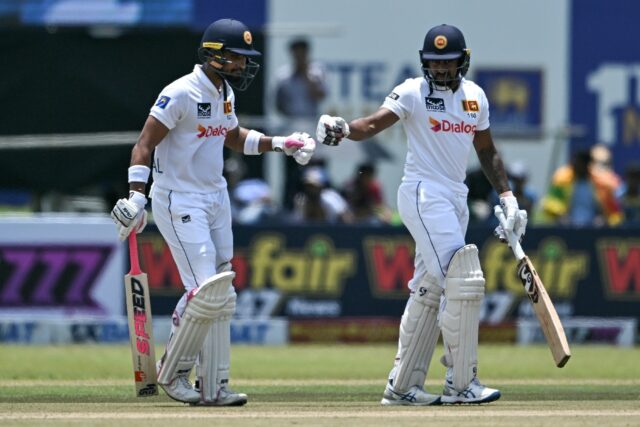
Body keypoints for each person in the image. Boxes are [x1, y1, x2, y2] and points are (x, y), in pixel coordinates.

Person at [316, 24, 527, 405]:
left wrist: (508, 196)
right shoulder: (413, 91)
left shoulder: (476, 97)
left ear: (463, 61)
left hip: (455, 198)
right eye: (434, 62)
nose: (440, 70)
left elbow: (487, 151)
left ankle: (402, 387)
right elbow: (375, 122)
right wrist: (345, 128)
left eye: (448, 63)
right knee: (463, 280)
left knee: (429, 291)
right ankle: (462, 384)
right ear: (424, 62)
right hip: (422, 193)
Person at [110, 18, 315, 406]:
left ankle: (214, 385)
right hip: (179, 198)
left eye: (244, 59)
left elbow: (234, 138)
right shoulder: (181, 92)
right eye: (236, 58)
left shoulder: (223, 93)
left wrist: (280, 143)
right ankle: (173, 373)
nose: (242, 65)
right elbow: (143, 145)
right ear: (214, 55)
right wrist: (137, 197)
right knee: (204, 291)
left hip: (216, 197)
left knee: (222, 290)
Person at [274, 37, 329, 210]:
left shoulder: (317, 72)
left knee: (316, 171)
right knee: (291, 172)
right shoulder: (283, 75)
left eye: (302, 53)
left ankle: (321, 207)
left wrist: (305, 75)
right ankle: (288, 208)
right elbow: (277, 103)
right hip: (291, 128)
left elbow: (320, 95)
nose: (299, 56)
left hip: (312, 128)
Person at [539, 149, 622, 227]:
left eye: (581, 164)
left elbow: (613, 213)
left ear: (588, 165)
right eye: (576, 163)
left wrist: (603, 219)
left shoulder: (601, 184)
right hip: (567, 228)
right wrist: (561, 215)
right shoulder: (562, 180)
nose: (577, 166)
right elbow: (550, 203)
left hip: (592, 229)